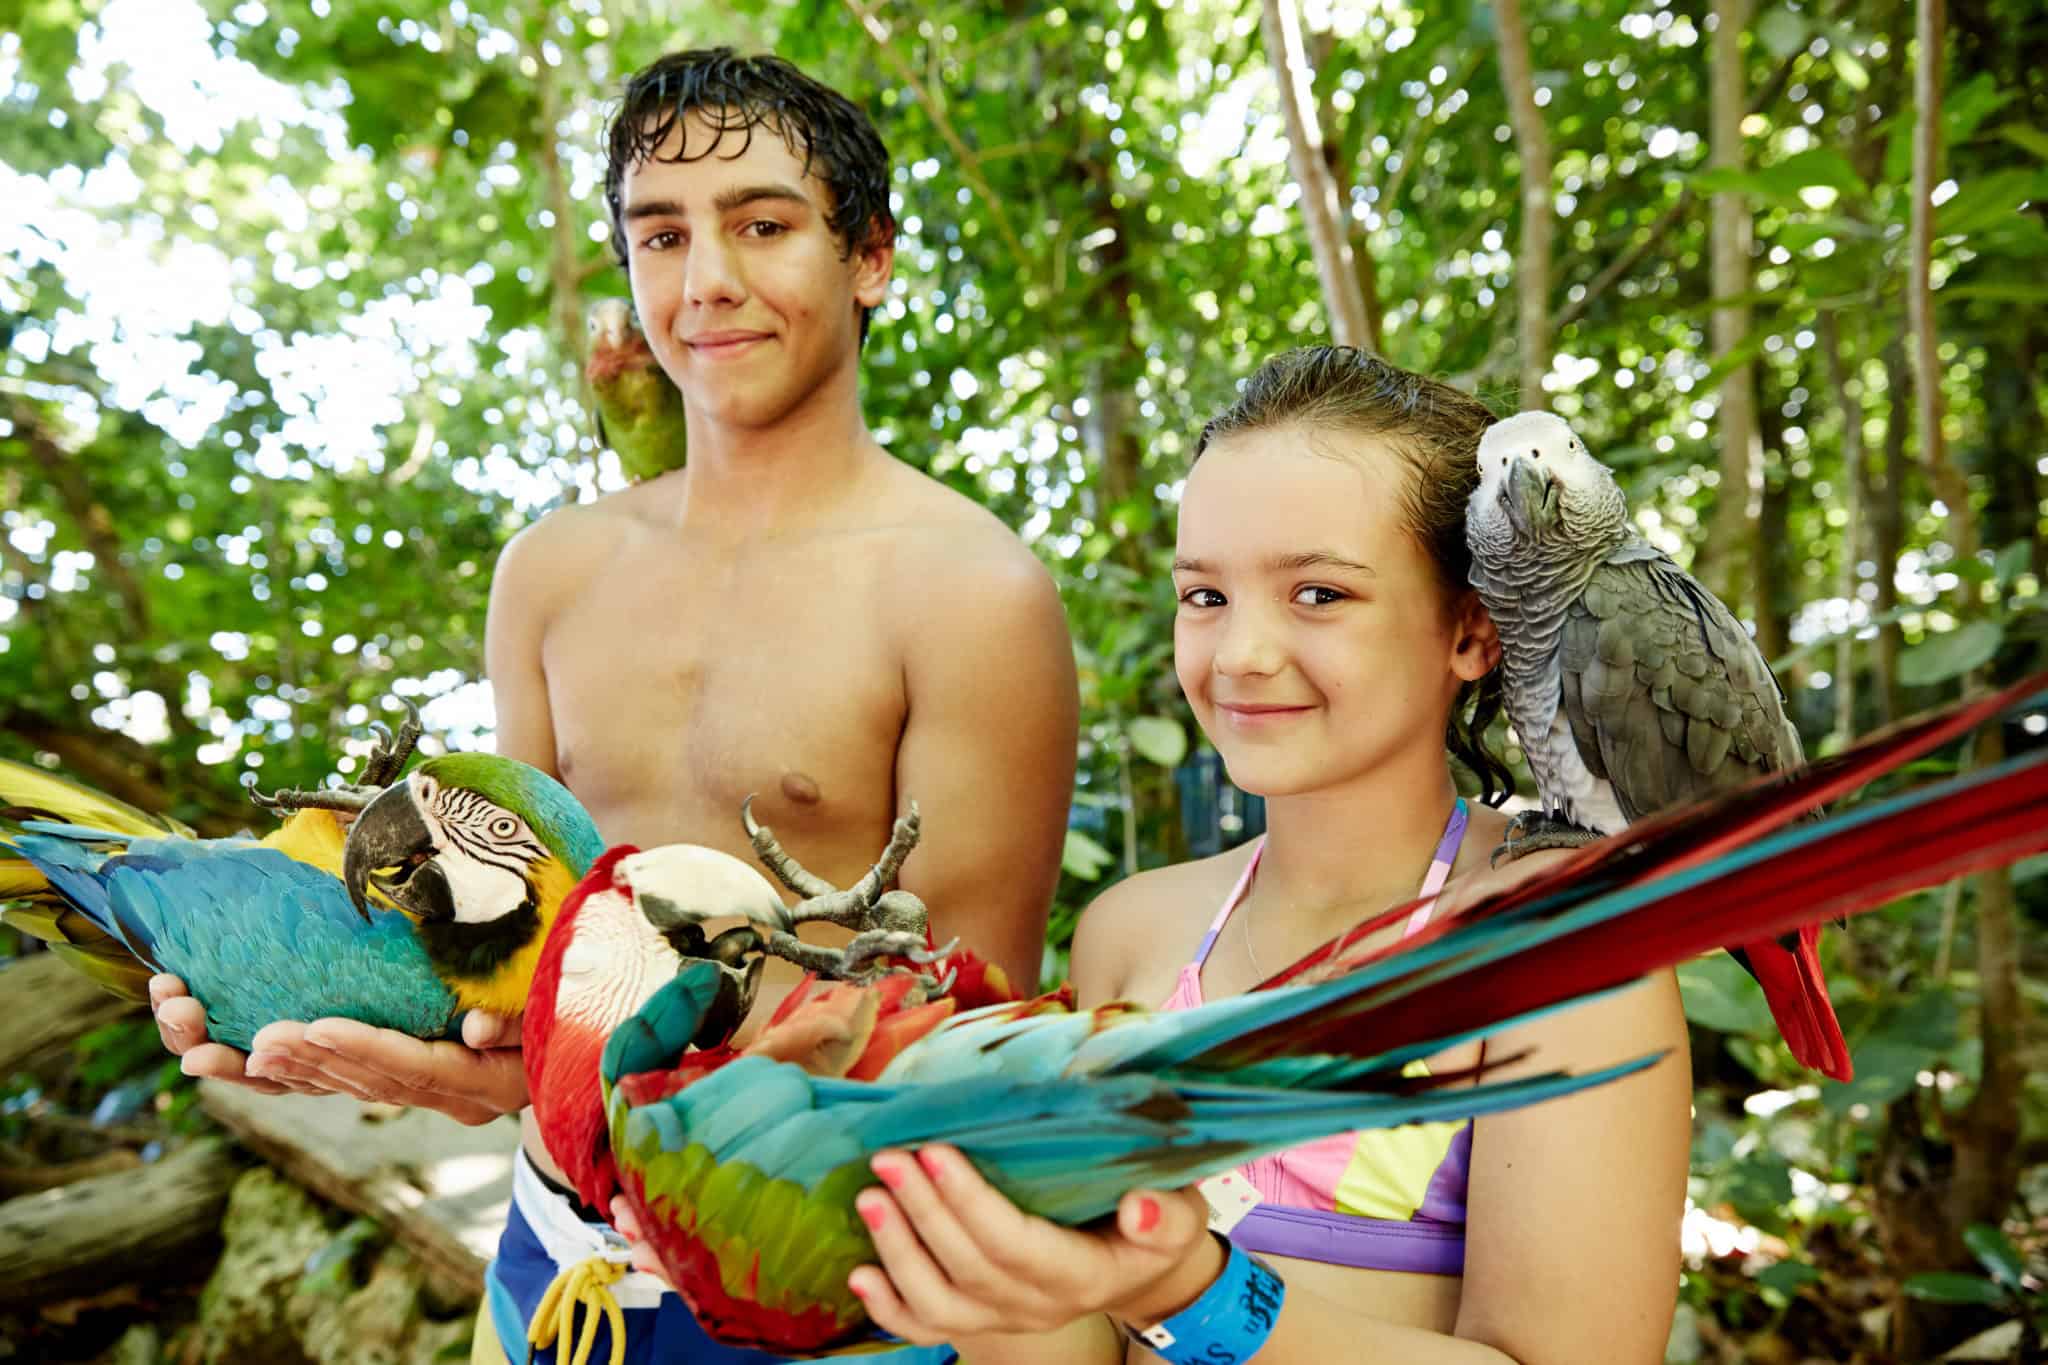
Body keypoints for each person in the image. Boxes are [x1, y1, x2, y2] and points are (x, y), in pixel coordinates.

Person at [148, 47, 1079, 1365]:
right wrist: (298, 993)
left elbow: (963, 1025)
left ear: (868, 257)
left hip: (819, 1283)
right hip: (554, 1259)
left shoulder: (970, 591)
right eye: (662, 234)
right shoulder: (552, 573)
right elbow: (505, 949)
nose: (707, 281)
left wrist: (628, 1089)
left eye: (762, 225)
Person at [721, 347, 1693, 1364]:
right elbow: (1078, 1343)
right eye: (1204, 596)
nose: (1239, 656)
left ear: (1471, 630)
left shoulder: (1566, 945)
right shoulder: (1133, 934)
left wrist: (1196, 1287)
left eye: (1317, 595)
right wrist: (921, 1207)